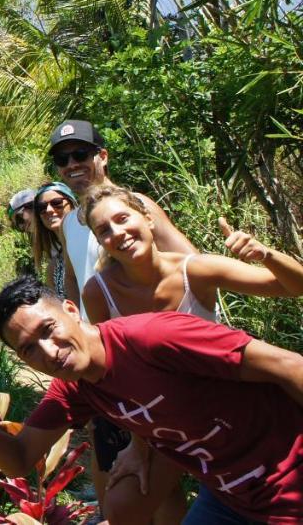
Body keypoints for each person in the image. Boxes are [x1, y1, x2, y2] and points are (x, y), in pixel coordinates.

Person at [0, 275, 303, 524]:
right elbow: (18, 460)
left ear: (72, 311)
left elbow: (289, 365)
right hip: (230, 495)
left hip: (288, 480)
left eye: (48, 330)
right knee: (121, 506)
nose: (49, 351)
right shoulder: (75, 387)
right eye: (29, 348)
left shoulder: (154, 337)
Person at [80, 185, 303, 523]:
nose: (117, 233)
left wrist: (266, 255)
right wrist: (138, 446)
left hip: (233, 400)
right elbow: (114, 375)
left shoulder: (194, 270)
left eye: (123, 219)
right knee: (125, 502)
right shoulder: (99, 292)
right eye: (104, 230)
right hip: (172, 417)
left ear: (148, 220)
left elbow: (292, 288)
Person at [47, 120, 197, 314]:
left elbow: (192, 264)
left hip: (150, 332)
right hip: (104, 338)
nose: (72, 164)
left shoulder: (136, 205)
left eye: (81, 154)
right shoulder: (68, 222)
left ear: (102, 156)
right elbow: (72, 278)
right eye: (62, 159)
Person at [32, 182, 75, 299]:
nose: (49, 210)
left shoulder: (91, 243)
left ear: (72, 204)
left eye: (57, 203)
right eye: (41, 207)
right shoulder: (54, 267)